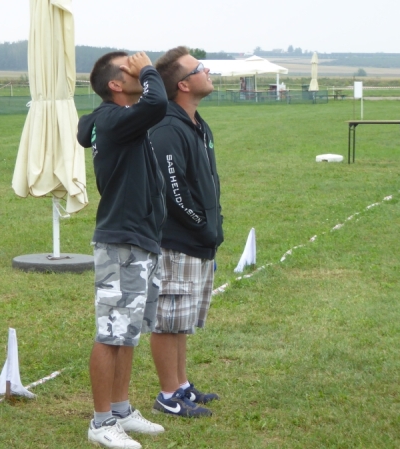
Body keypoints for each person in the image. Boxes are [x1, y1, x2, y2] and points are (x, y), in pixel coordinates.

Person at [76, 51, 168, 449]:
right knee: (111, 332)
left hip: (139, 238)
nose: (141, 73)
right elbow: (158, 102)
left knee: (127, 332)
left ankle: (121, 409)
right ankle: (101, 422)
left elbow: (152, 105)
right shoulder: (113, 119)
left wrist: (142, 72)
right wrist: (148, 70)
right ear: (116, 85)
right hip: (122, 240)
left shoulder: (118, 119)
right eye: (130, 70)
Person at [148, 46, 223, 418]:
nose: (207, 71)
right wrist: (199, 223)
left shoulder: (196, 124)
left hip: (199, 240)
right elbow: (172, 188)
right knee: (168, 319)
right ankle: (168, 395)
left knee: (182, 320)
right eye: (199, 68)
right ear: (182, 84)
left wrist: (212, 224)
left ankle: (181, 385)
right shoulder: (166, 127)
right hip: (177, 241)